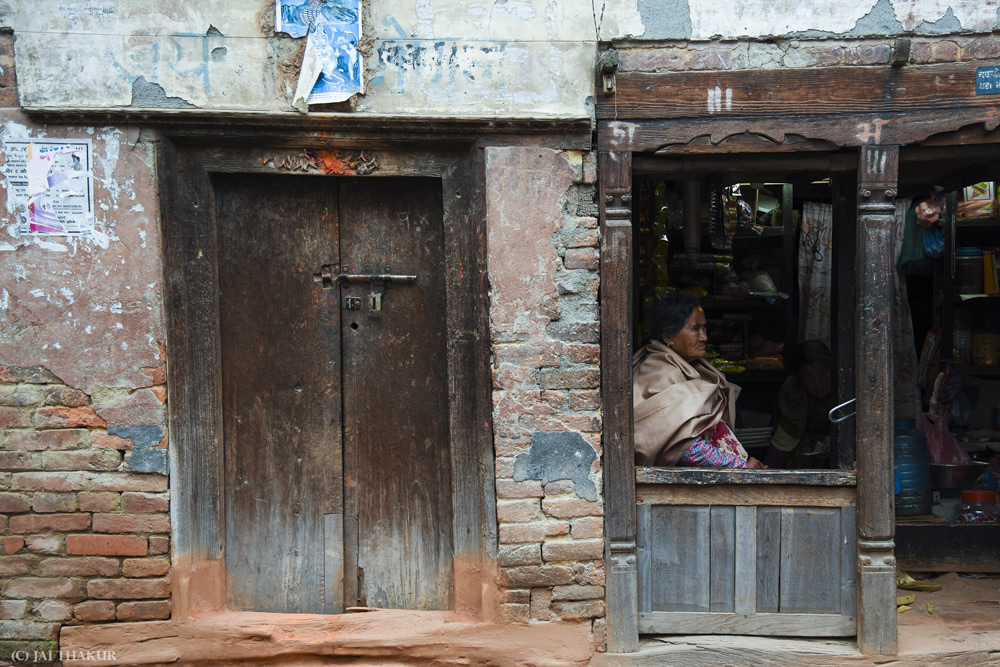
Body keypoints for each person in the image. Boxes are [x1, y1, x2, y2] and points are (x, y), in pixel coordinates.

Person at [633, 292, 765, 469]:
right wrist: (741, 467)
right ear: (668, 337)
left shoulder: (693, 369)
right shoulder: (660, 373)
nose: (704, 337)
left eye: (704, 328)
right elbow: (685, 448)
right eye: (695, 329)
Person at [765, 340, 834, 468]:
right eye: (809, 377)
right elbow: (785, 436)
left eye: (822, 374)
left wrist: (836, 436)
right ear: (801, 379)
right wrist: (766, 474)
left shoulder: (847, 387)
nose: (818, 383)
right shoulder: (791, 393)